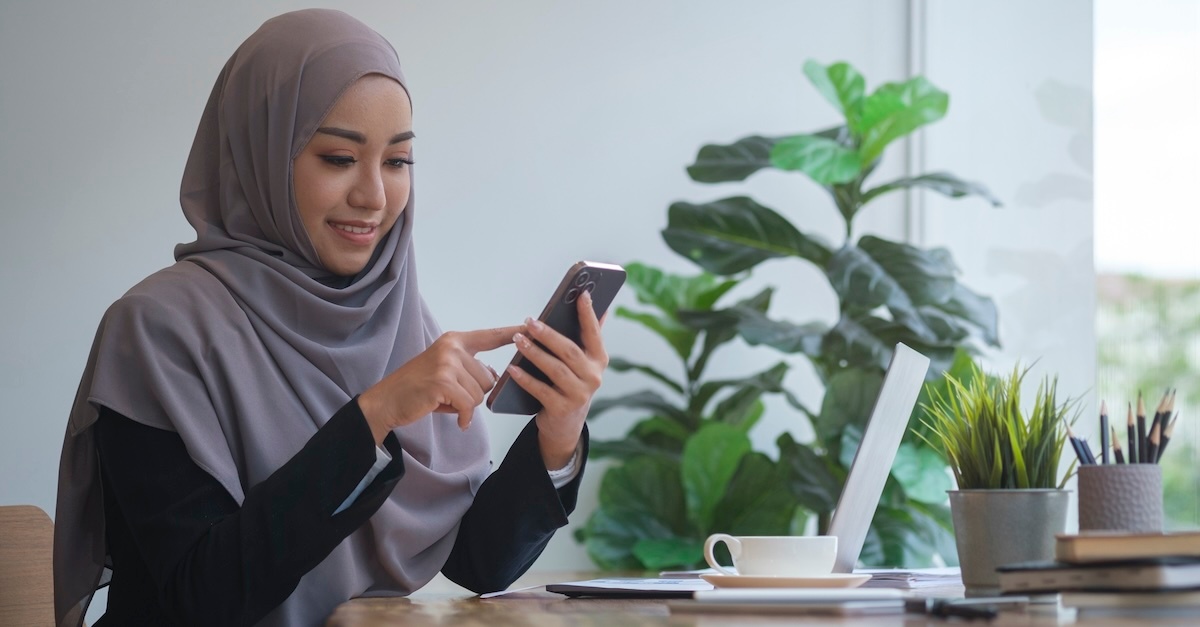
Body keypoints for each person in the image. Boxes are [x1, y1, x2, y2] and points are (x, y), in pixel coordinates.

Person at [53, 9, 607, 627]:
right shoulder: (156, 330)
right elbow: (199, 597)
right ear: (259, 153)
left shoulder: (395, 319)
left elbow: (476, 563)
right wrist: (373, 416)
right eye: (340, 157)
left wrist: (558, 433)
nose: (374, 196)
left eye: (397, 161)